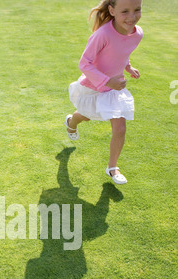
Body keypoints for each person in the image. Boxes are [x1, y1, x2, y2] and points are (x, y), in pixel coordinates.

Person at [64, 0, 143, 185]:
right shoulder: (102, 34)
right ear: (112, 10)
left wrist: (128, 67)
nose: (132, 17)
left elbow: (123, 51)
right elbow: (84, 64)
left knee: (120, 128)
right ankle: (71, 121)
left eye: (137, 10)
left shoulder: (138, 33)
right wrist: (107, 81)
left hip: (114, 89)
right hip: (94, 85)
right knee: (85, 116)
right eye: (125, 11)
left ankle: (112, 168)